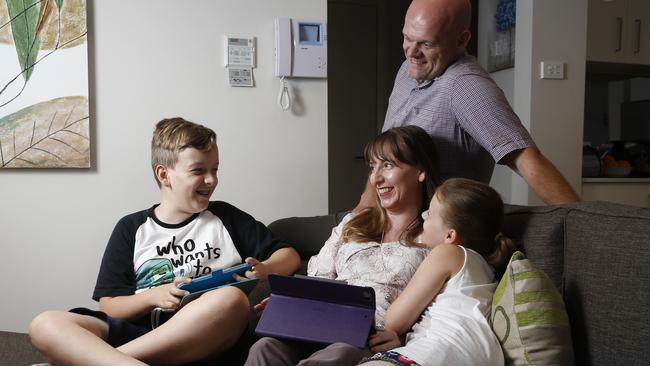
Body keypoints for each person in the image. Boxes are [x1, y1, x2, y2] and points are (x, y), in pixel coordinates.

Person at [28, 117, 301, 366]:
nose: (211, 179)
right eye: (198, 171)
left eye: (215, 169)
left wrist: (265, 270)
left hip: (204, 336)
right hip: (139, 330)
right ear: (164, 175)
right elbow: (111, 305)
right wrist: (152, 296)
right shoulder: (131, 228)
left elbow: (289, 256)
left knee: (231, 299)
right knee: (45, 323)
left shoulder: (226, 217)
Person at [244, 125, 441, 366]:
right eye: (372, 167)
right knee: (265, 348)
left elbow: (442, 309)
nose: (376, 178)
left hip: (368, 338)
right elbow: (318, 277)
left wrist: (404, 336)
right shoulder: (354, 223)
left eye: (387, 166)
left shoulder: (433, 236)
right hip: (320, 324)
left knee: (340, 354)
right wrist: (289, 304)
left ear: (421, 171)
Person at [356, 0, 578, 211]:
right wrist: (361, 211)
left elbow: (525, 159)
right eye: (407, 38)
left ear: (461, 40)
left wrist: (584, 222)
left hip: (438, 232)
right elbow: (383, 156)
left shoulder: (466, 86)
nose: (412, 52)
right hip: (391, 224)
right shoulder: (407, 70)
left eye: (426, 43)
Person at [360, 178, 515, 366]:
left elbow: (394, 321)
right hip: (481, 356)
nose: (423, 215)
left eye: (430, 213)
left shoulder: (447, 252)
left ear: (449, 236)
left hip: (439, 352)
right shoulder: (485, 268)